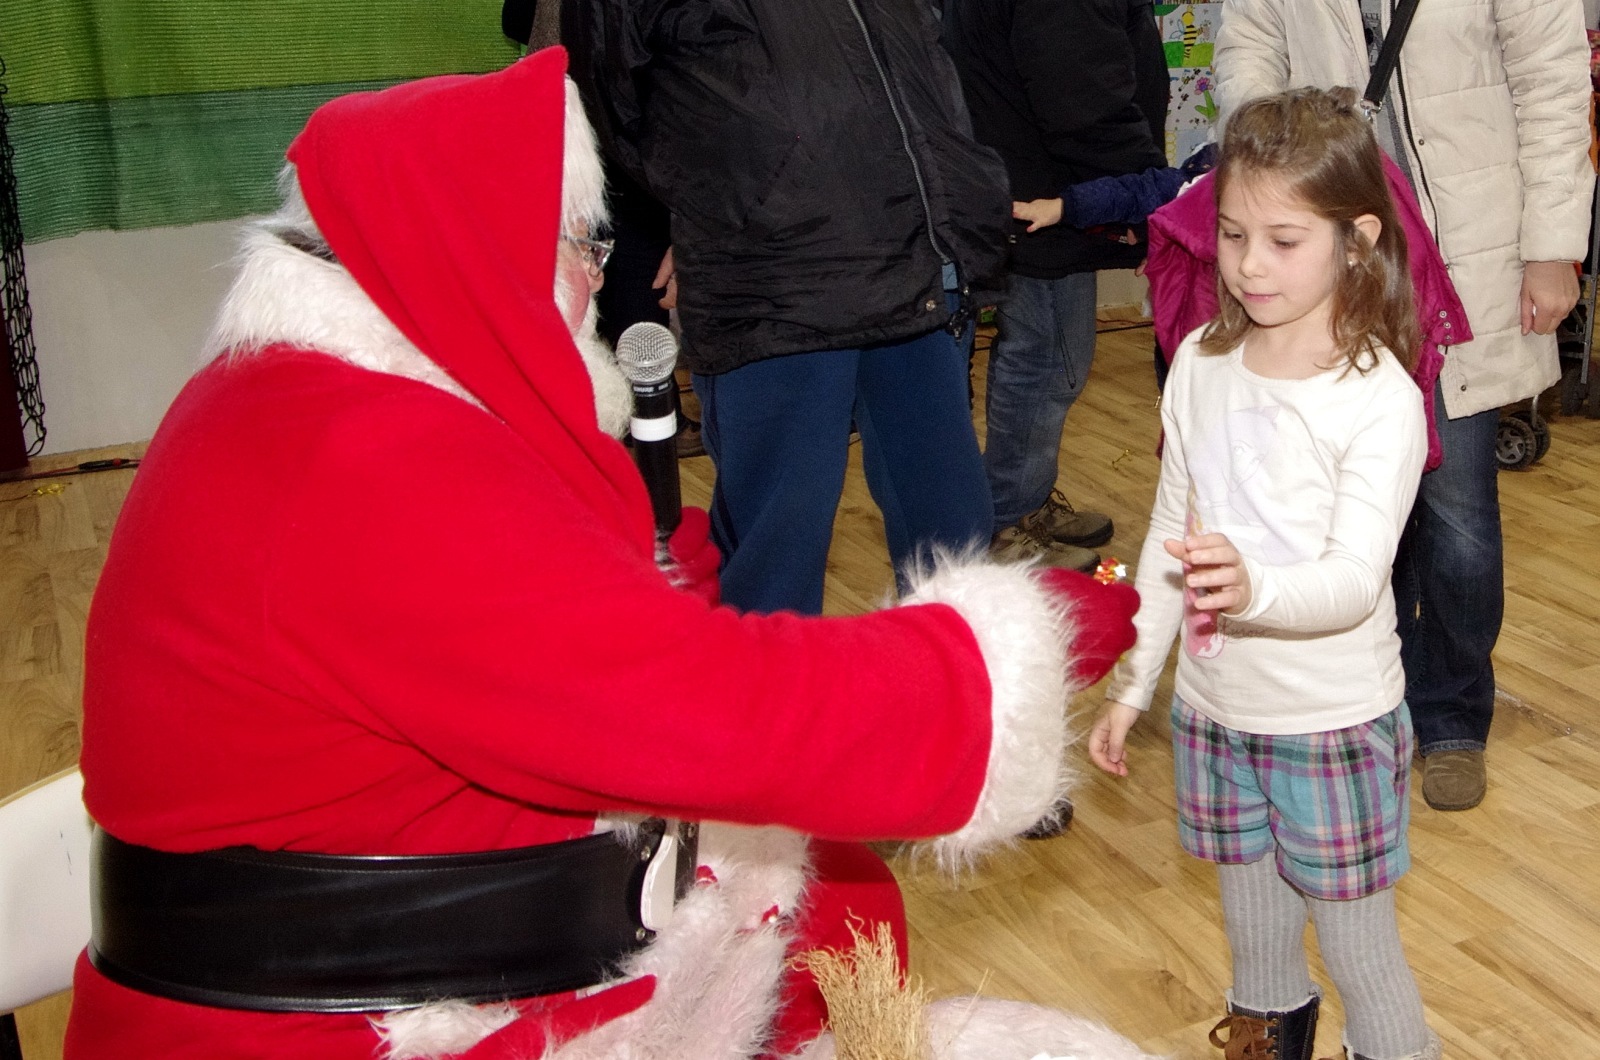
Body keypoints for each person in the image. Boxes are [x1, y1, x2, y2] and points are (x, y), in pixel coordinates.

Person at [63, 48, 1152, 1060]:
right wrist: (1014, 646)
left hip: (415, 950)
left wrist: (641, 584)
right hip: (359, 1024)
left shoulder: (304, 403)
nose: (596, 284)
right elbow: (722, 717)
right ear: (480, 250)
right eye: (583, 246)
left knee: (841, 901)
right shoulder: (364, 464)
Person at [1090, 89, 1440, 1060]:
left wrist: (1253, 591)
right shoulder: (1201, 363)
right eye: (1234, 234)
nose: (1248, 264)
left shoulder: (1375, 400)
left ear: (1356, 240)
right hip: (1215, 715)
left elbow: (1354, 581)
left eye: (1284, 241)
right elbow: (1171, 536)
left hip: (1330, 722)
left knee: (1360, 953)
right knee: (1255, 945)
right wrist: (1135, 685)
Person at [1214, 0, 1594, 812]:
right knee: (1340, 507)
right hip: (1332, 263)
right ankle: (1363, 706)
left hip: (1467, 257)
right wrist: (1272, 170)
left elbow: (1552, 86)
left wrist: (1553, 246)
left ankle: (1452, 716)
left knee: (1456, 517)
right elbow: (1248, 50)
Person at [562, 0, 1012, 615]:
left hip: (922, 270)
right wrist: (724, 209)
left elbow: (923, 80)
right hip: (775, 285)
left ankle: (960, 676)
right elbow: (611, 101)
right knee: (775, 561)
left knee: (955, 540)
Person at [941, 0, 1170, 574]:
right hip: (1042, 198)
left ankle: (1023, 500)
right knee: (1046, 362)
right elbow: (1084, 104)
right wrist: (1150, 197)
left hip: (1034, 188)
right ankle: (1006, 517)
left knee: (1041, 357)